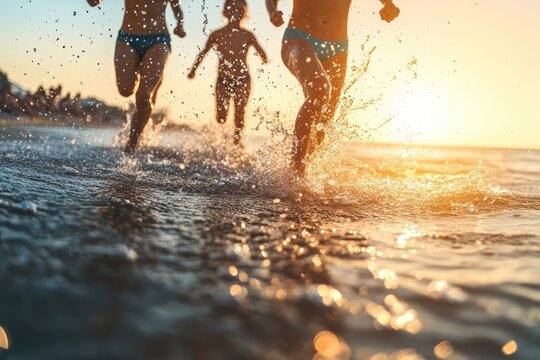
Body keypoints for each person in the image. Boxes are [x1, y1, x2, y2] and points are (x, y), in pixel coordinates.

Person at [265, 0, 400, 177]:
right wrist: (273, 11)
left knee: (325, 119)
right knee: (320, 91)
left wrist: (388, 4)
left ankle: (304, 174)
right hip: (298, 38)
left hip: (338, 48)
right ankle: (295, 173)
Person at [87, 0, 187, 153]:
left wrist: (180, 24)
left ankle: (132, 142)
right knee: (125, 90)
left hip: (158, 40)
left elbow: (177, 8)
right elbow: (94, 2)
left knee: (143, 94)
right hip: (127, 38)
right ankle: (152, 75)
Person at [188, 0, 268, 145]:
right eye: (232, 9)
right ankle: (220, 142)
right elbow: (203, 53)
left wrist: (264, 58)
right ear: (225, 12)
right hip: (223, 80)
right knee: (221, 117)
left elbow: (261, 52)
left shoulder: (247, 35)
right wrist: (193, 69)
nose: (235, 12)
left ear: (244, 13)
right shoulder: (217, 34)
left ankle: (237, 144)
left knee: (239, 115)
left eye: (239, 10)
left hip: (243, 80)